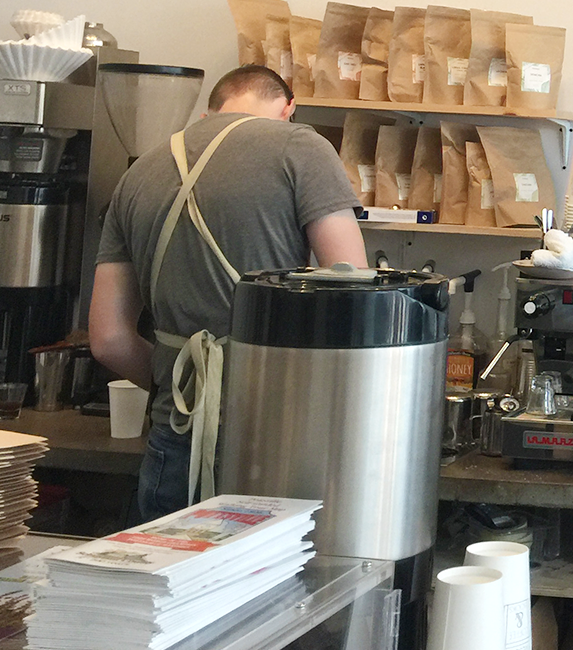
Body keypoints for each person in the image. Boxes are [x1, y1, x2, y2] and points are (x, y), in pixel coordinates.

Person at [89, 65, 367, 521]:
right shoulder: (301, 146)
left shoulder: (140, 171)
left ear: (209, 111)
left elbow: (107, 339)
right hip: (273, 440)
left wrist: (183, 384)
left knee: (168, 584)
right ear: (288, 107)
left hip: (173, 435)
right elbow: (353, 290)